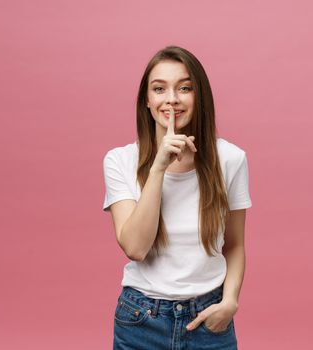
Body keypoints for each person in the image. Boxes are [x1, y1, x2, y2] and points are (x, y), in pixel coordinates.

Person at [102, 45, 252, 349]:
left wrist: (230, 301)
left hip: (208, 319)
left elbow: (234, 244)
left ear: (200, 97)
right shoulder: (120, 161)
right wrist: (158, 168)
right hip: (142, 320)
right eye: (159, 89)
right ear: (147, 100)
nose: (172, 98)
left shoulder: (230, 158)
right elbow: (134, 247)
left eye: (184, 88)